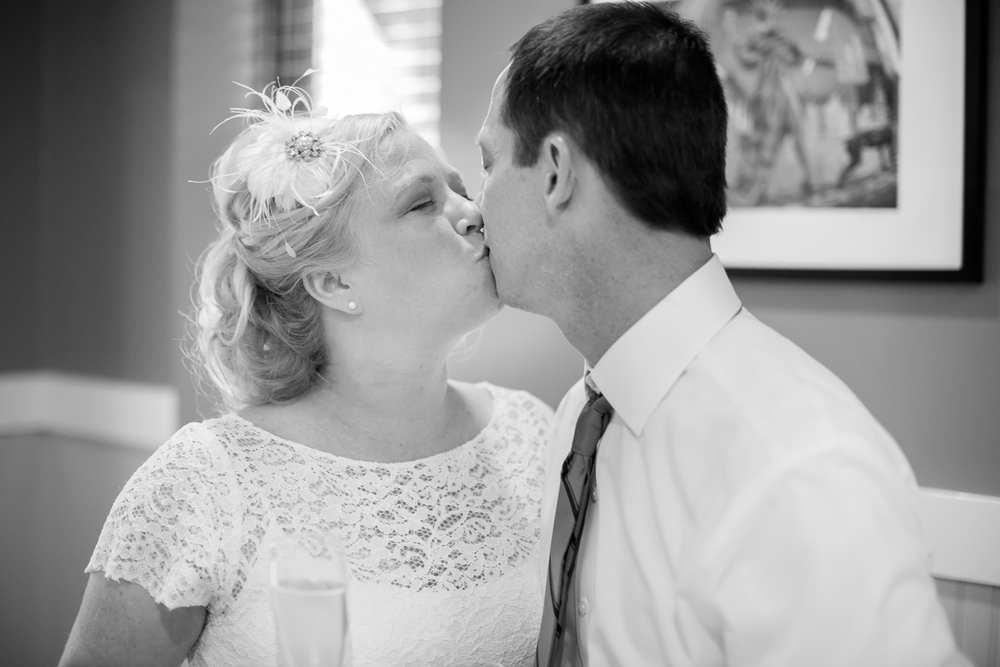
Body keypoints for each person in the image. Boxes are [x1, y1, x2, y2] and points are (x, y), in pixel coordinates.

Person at [475, 3, 969, 666]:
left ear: (556, 173)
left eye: (487, 164)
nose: (474, 208)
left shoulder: (798, 472)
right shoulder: (580, 417)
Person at [59, 83, 551, 667]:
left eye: (462, 190)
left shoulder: (534, 433)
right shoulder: (204, 484)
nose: (473, 215)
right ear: (333, 282)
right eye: (422, 203)